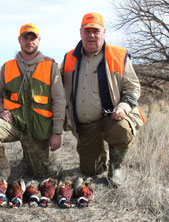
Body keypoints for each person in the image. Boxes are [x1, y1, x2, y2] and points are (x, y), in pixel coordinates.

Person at [61, 13, 144, 187]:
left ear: (104, 32)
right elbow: (57, 84)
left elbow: (133, 87)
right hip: (86, 124)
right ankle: (100, 160)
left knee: (122, 129)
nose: (91, 35)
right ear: (81, 33)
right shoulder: (69, 58)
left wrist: (123, 107)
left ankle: (116, 168)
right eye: (87, 31)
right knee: (91, 171)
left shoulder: (118, 56)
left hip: (112, 117)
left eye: (95, 31)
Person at [0, 23, 65, 180]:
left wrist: (56, 132)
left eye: (33, 38)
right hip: (14, 124)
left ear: (39, 40)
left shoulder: (50, 66)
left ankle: (28, 158)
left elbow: (59, 100)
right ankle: (3, 169)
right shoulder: (8, 67)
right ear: (20, 40)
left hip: (38, 129)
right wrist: (0, 111)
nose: (29, 41)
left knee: (39, 175)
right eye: (26, 38)